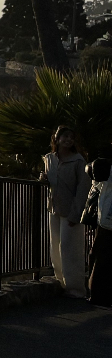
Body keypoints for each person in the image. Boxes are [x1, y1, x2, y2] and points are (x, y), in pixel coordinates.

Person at [43, 127, 90, 296]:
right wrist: (43, 178)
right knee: (55, 247)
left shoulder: (78, 161)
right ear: (57, 139)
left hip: (71, 210)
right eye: (65, 136)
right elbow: (50, 180)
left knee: (71, 249)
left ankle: (76, 289)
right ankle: (61, 282)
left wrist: (76, 214)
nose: (68, 139)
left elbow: (83, 188)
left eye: (71, 137)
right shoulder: (50, 158)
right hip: (54, 208)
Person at [84, 155, 112, 308]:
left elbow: (94, 176)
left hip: (106, 220)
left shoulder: (104, 167)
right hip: (106, 219)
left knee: (100, 257)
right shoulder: (104, 167)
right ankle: (99, 294)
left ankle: (98, 295)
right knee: (100, 257)